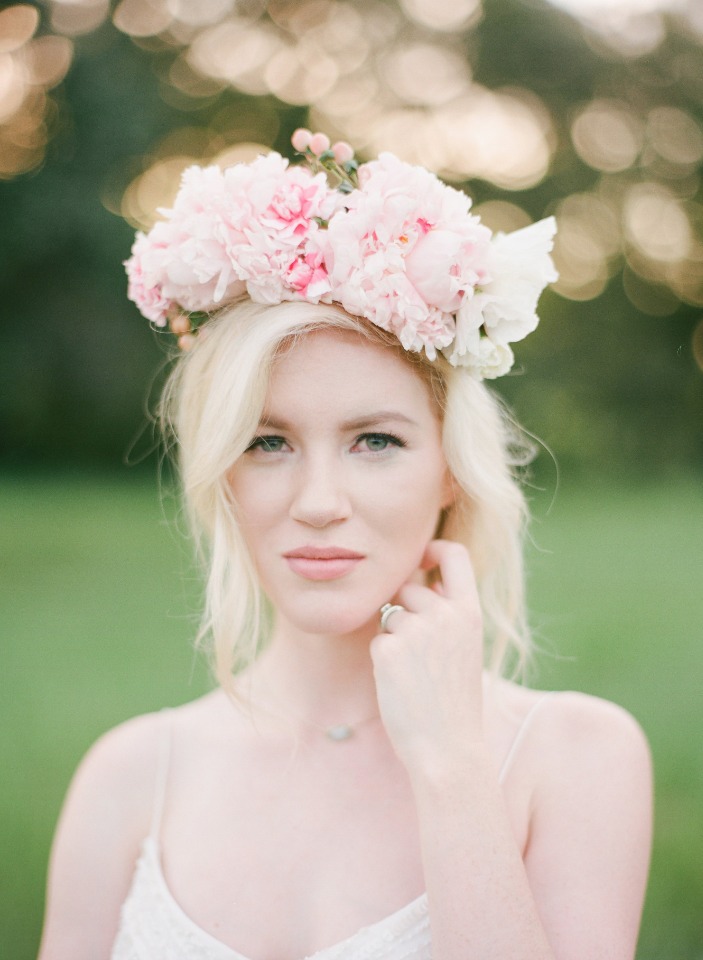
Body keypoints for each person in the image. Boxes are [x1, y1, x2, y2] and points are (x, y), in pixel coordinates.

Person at [38, 131, 652, 960]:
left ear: (449, 471)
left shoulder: (575, 758)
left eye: (375, 441)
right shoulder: (130, 777)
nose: (318, 504)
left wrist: (451, 772)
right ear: (222, 471)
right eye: (267, 442)